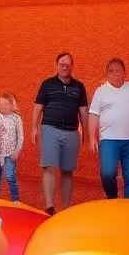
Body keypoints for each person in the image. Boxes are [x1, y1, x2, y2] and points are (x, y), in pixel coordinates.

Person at [88, 58, 129, 199]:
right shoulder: (101, 92)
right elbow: (93, 115)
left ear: (125, 72)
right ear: (106, 74)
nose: (115, 73)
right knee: (107, 173)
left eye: (118, 70)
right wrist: (92, 137)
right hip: (108, 140)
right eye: (111, 71)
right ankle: (112, 197)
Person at [31, 52, 88, 216]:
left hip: (71, 132)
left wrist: (86, 132)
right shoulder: (47, 84)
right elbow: (38, 107)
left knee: (67, 170)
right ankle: (49, 207)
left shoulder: (79, 87)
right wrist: (34, 128)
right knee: (49, 167)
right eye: (62, 64)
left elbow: (83, 111)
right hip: (50, 129)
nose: (65, 67)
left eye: (68, 64)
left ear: (72, 66)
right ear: (56, 65)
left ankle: (65, 208)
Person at [0, 93, 23, 204]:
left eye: (6, 103)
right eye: (1, 104)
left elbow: (20, 136)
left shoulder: (16, 118)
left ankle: (16, 200)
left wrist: (17, 150)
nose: (4, 106)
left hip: (10, 153)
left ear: (11, 105)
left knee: (10, 175)